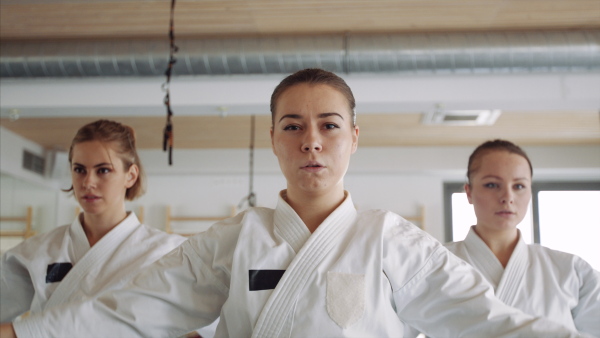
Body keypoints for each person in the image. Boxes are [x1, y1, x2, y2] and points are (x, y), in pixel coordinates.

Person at [0, 70, 591, 337]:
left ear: (354, 137)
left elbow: (487, 321)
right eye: (293, 125)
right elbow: (129, 311)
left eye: (329, 125)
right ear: (274, 139)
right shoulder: (232, 239)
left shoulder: (391, 238)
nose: (311, 139)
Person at [0, 119, 187, 323]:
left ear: (130, 176)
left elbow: (217, 321)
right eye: (79, 170)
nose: (88, 182)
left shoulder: (166, 252)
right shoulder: (38, 250)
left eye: (103, 170)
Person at [443, 140, 599, 334]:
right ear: (469, 192)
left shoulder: (571, 270)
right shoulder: (437, 264)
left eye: (519, 186)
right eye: (492, 184)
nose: (507, 197)